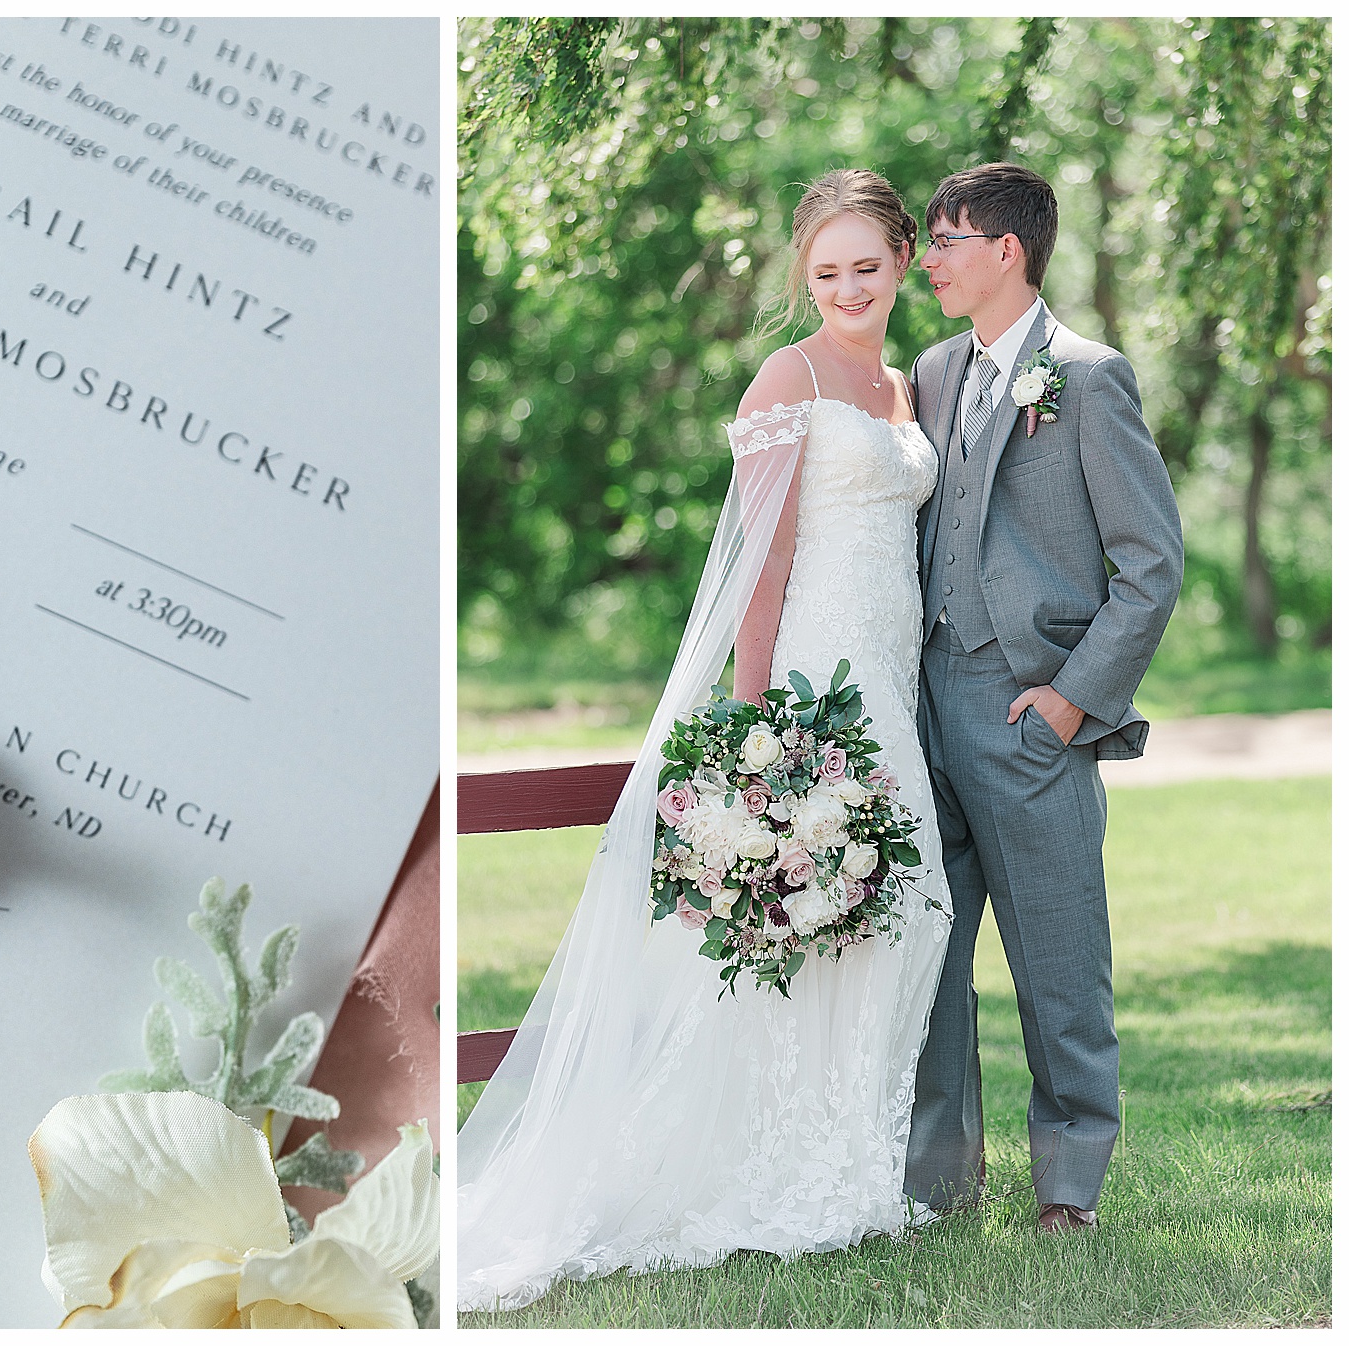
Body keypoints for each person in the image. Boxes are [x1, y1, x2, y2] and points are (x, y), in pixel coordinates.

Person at [457, 169, 954, 1313]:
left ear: (901, 256)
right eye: (825, 273)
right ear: (805, 276)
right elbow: (761, 558)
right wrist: (754, 728)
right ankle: (769, 1168)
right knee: (809, 912)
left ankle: (844, 1163)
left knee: (894, 906)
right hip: (811, 677)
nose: (847, 289)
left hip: (892, 674)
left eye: (867, 268)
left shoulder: (900, 385)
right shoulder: (789, 377)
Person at [903, 163, 1183, 1231]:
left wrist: (1073, 700)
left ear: (1006, 249)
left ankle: (1069, 1186)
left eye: (945, 239)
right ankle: (939, 1184)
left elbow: (1152, 562)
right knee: (929, 963)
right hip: (925, 711)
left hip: (1031, 714)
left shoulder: (1089, 376)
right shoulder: (932, 371)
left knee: (1061, 963)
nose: (929, 257)